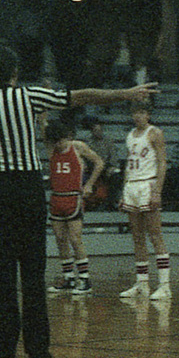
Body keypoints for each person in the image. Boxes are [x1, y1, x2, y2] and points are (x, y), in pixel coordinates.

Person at [0, 46, 158, 358]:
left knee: (1, 272)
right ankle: (38, 351)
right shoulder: (28, 96)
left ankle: (4, 350)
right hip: (26, 186)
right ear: (14, 73)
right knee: (33, 270)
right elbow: (82, 96)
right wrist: (125, 93)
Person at [117, 99, 171, 301]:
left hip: (147, 184)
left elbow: (163, 162)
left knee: (155, 235)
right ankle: (142, 284)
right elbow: (128, 165)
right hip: (132, 184)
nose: (137, 116)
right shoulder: (130, 135)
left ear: (148, 114)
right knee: (137, 237)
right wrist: (124, 190)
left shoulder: (155, 132)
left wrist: (157, 190)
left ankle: (165, 286)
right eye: (135, 112)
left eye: (141, 112)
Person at [43, 120, 104, 295]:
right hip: (56, 198)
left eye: (60, 141)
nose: (58, 145)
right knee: (60, 239)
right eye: (55, 142)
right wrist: (43, 116)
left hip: (73, 198)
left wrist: (89, 184)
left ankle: (84, 279)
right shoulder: (51, 148)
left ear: (66, 137)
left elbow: (99, 162)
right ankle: (68, 277)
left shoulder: (77, 147)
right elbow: (44, 128)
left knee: (75, 239)